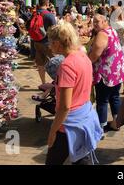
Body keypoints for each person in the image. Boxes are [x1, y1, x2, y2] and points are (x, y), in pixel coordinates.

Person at [45, 23, 102, 165]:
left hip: (69, 125)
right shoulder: (83, 57)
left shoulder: (66, 66)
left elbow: (65, 106)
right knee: (83, 158)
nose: (49, 46)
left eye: (50, 43)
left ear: (58, 43)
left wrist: (53, 131)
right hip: (84, 117)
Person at [88, 12, 124, 132]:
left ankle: (101, 127)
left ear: (105, 22)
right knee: (114, 97)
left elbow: (94, 55)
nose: (94, 24)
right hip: (116, 72)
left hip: (105, 74)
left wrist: (85, 61)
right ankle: (117, 123)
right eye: (93, 21)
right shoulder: (112, 30)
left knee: (102, 100)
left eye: (97, 22)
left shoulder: (102, 34)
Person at [32, 0, 57, 85]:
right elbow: (55, 30)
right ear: (47, 3)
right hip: (48, 43)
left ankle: (43, 83)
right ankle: (58, 82)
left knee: (40, 63)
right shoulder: (49, 15)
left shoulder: (34, 14)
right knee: (56, 61)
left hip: (36, 42)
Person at [111, 6, 124, 94]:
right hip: (122, 45)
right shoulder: (123, 24)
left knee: (114, 65)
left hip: (113, 47)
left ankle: (114, 83)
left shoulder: (110, 23)